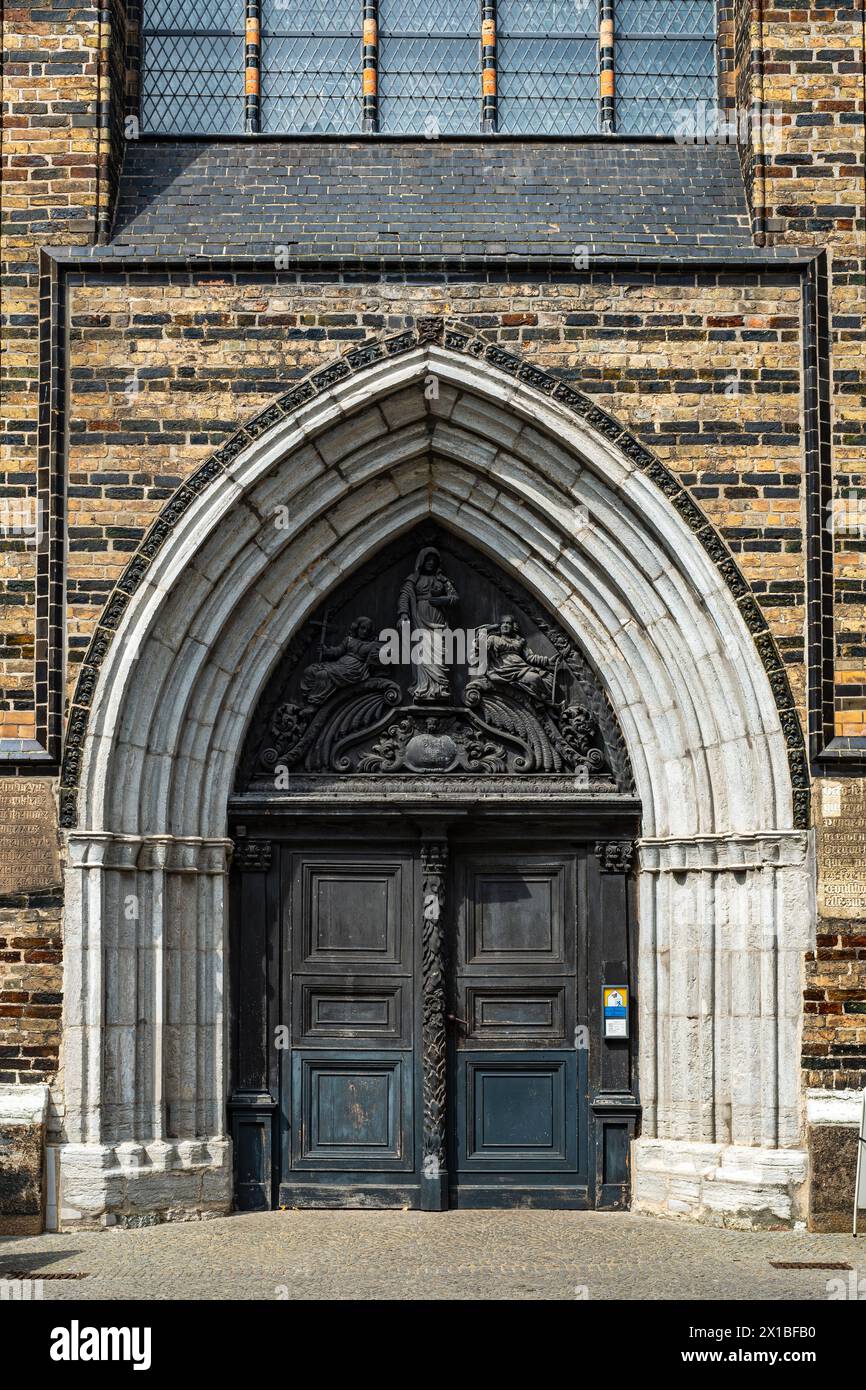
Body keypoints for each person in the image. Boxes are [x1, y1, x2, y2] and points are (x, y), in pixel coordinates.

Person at [397, 546, 459, 703]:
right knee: (423, 651)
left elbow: (454, 597)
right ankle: (423, 687)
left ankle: (440, 688)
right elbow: (404, 596)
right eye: (428, 560)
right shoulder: (414, 579)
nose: (431, 563)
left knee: (438, 653)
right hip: (420, 618)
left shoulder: (442, 580)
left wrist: (442, 600)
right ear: (421, 561)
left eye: (434, 560)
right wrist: (404, 614)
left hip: (438, 618)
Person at [299, 616, 382, 704]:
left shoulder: (371, 644)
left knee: (323, 674)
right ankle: (308, 696)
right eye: (362, 628)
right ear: (357, 627)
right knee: (310, 670)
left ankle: (315, 701)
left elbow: (375, 658)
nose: (365, 632)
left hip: (354, 668)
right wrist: (326, 650)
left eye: (368, 630)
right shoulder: (349, 640)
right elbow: (338, 651)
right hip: (341, 664)